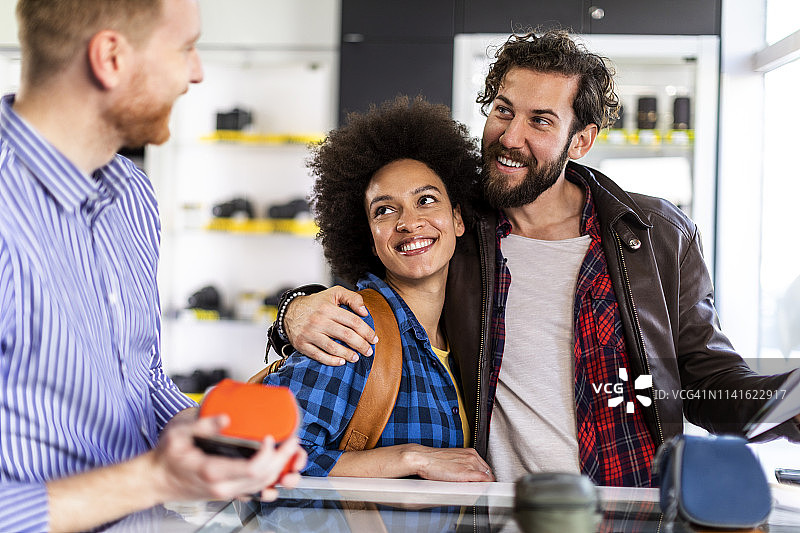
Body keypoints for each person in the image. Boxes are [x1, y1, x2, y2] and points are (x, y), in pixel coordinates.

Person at [269, 29, 800, 486]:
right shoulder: (456, 226)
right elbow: (376, 294)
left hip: (630, 507)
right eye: (503, 110)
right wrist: (294, 309)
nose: (510, 136)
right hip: (500, 511)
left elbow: (706, 377)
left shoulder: (655, 233)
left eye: (541, 120)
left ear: (581, 140)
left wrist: (790, 403)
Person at [0, 1, 304, 531]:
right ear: (111, 58)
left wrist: (212, 437)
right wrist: (156, 478)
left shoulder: (132, 193)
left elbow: (140, 379)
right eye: (185, 48)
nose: (196, 72)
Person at [262, 96, 493, 482]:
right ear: (370, 238)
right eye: (384, 210)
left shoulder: (465, 337)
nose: (409, 222)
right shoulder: (355, 330)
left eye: (426, 200)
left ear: (457, 219)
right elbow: (260, 456)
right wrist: (409, 459)